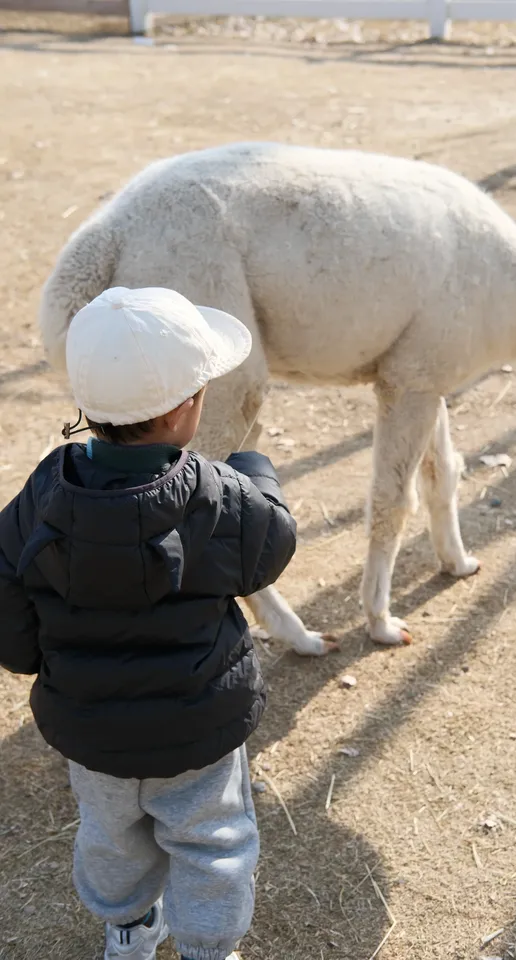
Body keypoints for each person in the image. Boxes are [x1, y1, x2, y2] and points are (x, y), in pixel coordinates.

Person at [0, 287, 297, 960]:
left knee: (110, 837)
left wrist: (39, 658)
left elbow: (10, 614)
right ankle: (209, 948)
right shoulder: (222, 498)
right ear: (187, 407)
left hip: (91, 731)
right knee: (213, 841)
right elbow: (273, 546)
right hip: (198, 728)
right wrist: (256, 468)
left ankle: (129, 930)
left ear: (88, 406)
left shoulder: (42, 497)